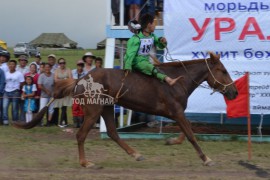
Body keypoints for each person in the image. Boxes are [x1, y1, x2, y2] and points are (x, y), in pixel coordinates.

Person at [124, 13, 181, 86]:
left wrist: (162, 41)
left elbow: (160, 46)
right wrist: (127, 67)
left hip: (145, 60)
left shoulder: (152, 36)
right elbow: (130, 54)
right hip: (137, 61)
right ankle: (168, 80)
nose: (155, 26)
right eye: (154, 23)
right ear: (148, 25)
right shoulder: (136, 39)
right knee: (151, 67)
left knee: (151, 66)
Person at [2, 60, 25, 125]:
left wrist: (19, 90)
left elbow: (22, 83)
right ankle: (5, 121)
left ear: (15, 66)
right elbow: (4, 82)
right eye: (10, 64)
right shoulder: (6, 73)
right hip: (6, 92)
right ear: (8, 65)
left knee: (15, 107)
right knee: (5, 106)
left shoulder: (19, 73)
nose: (11, 65)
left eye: (13, 64)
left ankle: (15, 120)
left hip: (15, 92)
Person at [53, 58, 73, 127]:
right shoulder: (56, 71)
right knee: (60, 106)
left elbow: (70, 79)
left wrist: (61, 80)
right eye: (60, 63)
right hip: (59, 91)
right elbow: (55, 80)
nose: (62, 64)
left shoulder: (68, 70)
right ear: (59, 64)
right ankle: (66, 122)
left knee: (64, 106)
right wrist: (64, 80)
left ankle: (61, 122)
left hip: (66, 91)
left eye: (63, 63)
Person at [71, 59, 86, 128]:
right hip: (74, 93)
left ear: (83, 66)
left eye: (81, 65)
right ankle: (75, 122)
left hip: (82, 93)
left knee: (81, 108)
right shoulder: (72, 72)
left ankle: (80, 122)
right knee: (75, 107)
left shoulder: (86, 73)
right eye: (79, 65)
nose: (80, 66)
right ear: (77, 65)